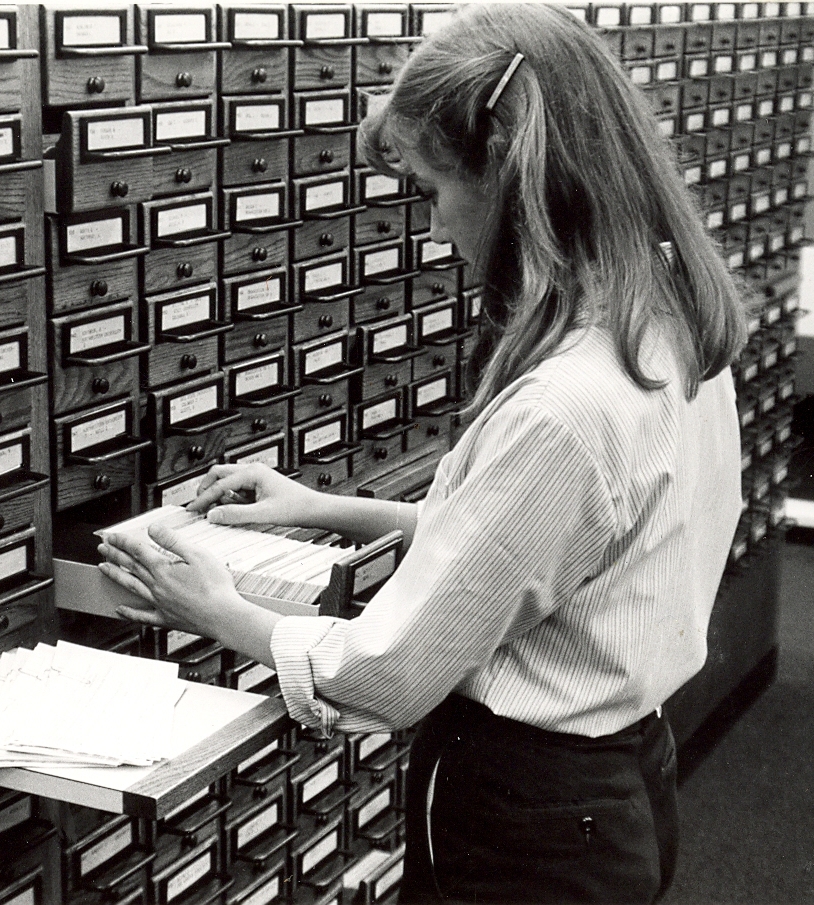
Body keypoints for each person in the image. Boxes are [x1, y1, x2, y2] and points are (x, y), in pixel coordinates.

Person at [97, 4, 746, 902]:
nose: (437, 230)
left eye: (436, 192)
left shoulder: (565, 403)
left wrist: (215, 608)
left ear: (515, 177)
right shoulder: (665, 317)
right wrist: (324, 508)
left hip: (532, 817)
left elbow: (390, 674)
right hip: (625, 777)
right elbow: (564, 548)